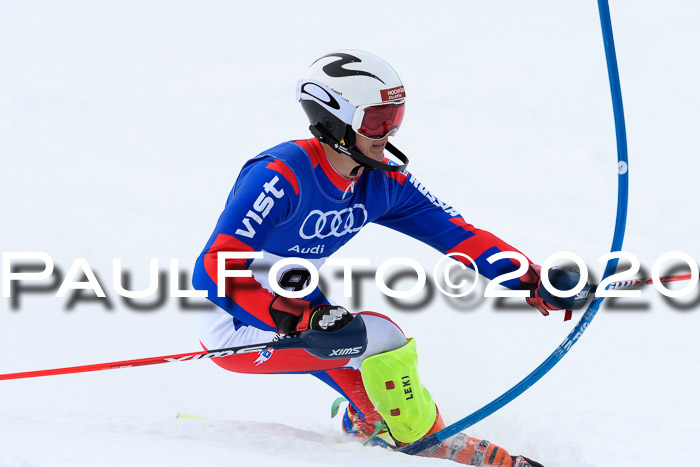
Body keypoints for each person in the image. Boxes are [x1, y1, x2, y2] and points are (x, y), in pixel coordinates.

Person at [192, 50, 586, 467]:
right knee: (380, 339)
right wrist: (298, 319)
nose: (388, 132)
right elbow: (214, 269)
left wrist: (530, 279)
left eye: (396, 117)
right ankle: (439, 445)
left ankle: (367, 424)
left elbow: (458, 234)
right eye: (377, 120)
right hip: (240, 325)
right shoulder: (280, 174)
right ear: (333, 120)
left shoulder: (382, 181)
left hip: (314, 316)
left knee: (377, 392)